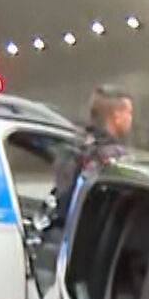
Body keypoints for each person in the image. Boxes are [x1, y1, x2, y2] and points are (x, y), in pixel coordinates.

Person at [49, 84, 134, 217]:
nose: (130, 118)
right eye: (129, 113)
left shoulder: (72, 146)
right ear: (117, 116)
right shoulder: (116, 157)